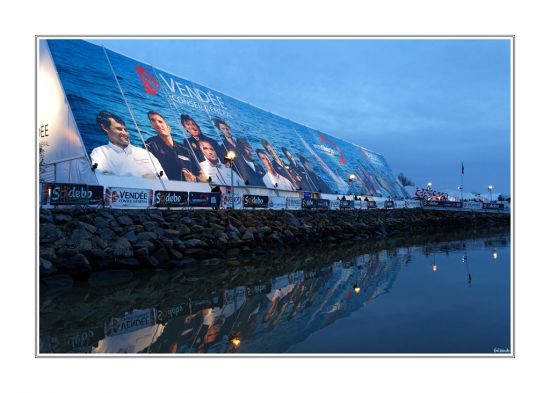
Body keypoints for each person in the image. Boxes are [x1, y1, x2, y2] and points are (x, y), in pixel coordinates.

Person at [90, 111, 167, 179]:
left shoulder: (145, 153)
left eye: (125, 130)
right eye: (119, 129)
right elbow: (105, 178)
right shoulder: (99, 153)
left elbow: (163, 179)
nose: (125, 133)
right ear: (105, 128)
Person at [144, 111, 204, 182]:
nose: (157, 124)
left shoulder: (185, 150)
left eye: (160, 122)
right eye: (153, 121)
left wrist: (194, 179)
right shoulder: (150, 145)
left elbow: (203, 176)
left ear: (168, 128)